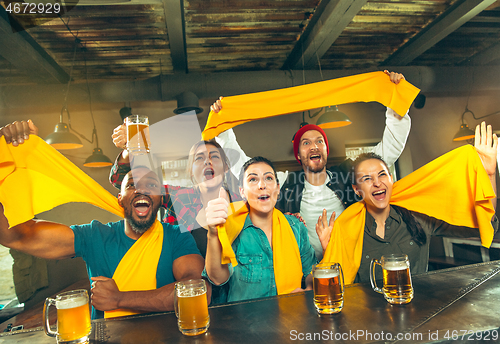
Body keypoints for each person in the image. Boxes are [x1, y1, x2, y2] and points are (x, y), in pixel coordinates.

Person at [0, 121, 206, 319]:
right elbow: (13, 235)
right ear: (120, 198)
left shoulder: (177, 236)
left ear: (162, 197)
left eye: (151, 185)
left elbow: (196, 288)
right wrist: (5, 160)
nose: (142, 189)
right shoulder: (95, 236)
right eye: (132, 184)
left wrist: (119, 299)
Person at [211, 70, 411, 260]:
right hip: (305, 269)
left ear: (326, 150)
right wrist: (223, 127)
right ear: (299, 154)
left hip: (352, 260)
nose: (314, 146)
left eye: (319, 141)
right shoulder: (285, 182)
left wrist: (395, 100)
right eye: (306, 143)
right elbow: (246, 168)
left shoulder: (347, 174)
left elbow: (389, 149)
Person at [317, 121, 499, 284]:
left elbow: (484, 224)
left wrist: (489, 175)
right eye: (367, 178)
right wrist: (329, 250)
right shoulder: (348, 227)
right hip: (370, 318)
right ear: (357, 190)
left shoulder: (418, 216)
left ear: (391, 178)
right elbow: (345, 283)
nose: (377, 183)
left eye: (382, 175)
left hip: (420, 314)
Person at [110, 128, 241, 258]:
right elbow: (122, 181)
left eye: (215, 156)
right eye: (199, 158)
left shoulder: (242, 204)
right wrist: (129, 150)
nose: (207, 161)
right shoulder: (178, 196)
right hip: (182, 277)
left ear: (226, 167)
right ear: (191, 170)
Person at [204, 156, 316, 302]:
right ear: (242, 191)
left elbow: (311, 271)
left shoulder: (296, 226)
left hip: (292, 317)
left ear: (277, 187)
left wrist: (308, 291)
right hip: (245, 322)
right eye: (253, 179)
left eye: (268, 178)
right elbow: (218, 278)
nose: (262, 185)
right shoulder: (232, 228)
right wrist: (213, 233)